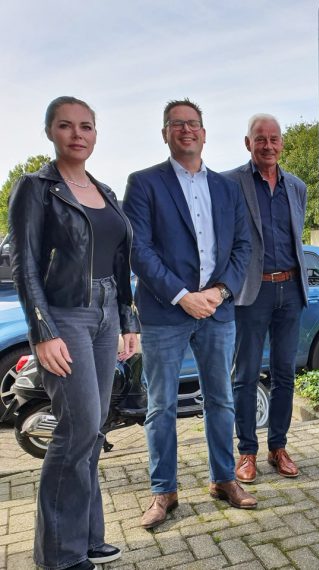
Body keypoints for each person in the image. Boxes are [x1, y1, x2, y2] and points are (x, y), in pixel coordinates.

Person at [8, 96, 139, 570]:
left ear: (96, 134)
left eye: (86, 126)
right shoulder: (36, 188)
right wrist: (43, 329)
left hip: (106, 313)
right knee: (76, 427)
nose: (77, 134)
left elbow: (120, 261)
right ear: (50, 132)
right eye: (66, 125)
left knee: (94, 426)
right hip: (66, 315)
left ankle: (86, 537)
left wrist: (127, 320)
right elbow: (24, 264)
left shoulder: (105, 191)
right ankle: (59, 555)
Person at [122, 99, 255, 530]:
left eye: (193, 123)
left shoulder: (227, 188)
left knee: (221, 399)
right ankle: (164, 491)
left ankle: (223, 479)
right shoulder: (144, 183)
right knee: (161, 405)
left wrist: (218, 291)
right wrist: (183, 296)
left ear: (204, 132)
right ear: (165, 133)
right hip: (165, 313)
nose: (186, 130)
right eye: (176, 124)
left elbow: (242, 248)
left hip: (217, 310)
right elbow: (139, 250)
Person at [223, 114, 309, 483]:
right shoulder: (230, 183)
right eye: (261, 139)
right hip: (251, 292)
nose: (268, 146)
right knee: (245, 375)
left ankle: (278, 447)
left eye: (274, 139)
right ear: (248, 143)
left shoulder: (297, 187)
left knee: (285, 373)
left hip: (290, 289)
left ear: (282, 143)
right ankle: (247, 452)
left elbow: (296, 237)